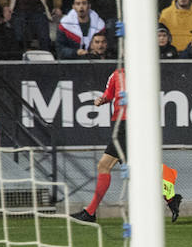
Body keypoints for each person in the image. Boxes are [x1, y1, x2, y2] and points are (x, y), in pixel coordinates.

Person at [71, 64, 183, 225]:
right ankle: (171, 196)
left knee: (105, 165)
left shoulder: (143, 72)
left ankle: (90, 212)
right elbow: (108, 95)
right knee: (134, 168)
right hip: (120, 125)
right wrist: (101, 100)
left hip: (131, 124)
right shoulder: (116, 75)